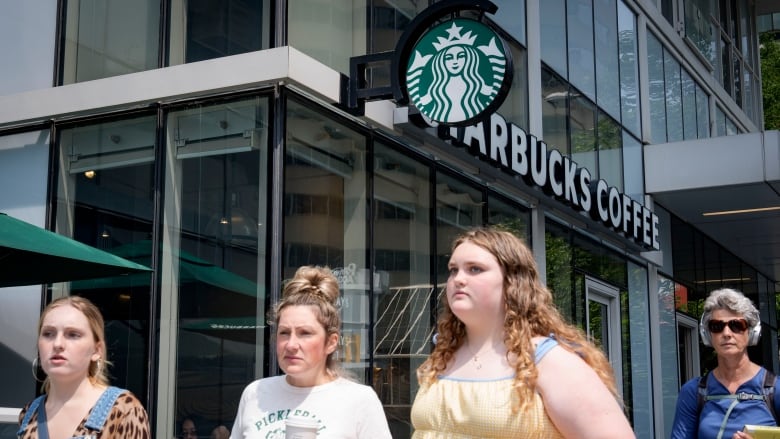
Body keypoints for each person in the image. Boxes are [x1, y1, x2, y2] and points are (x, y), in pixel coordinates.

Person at [410, 227, 635, 438]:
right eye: (453, 270)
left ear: (512, 282)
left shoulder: (550, 361)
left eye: (475, 269)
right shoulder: (443, 356)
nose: (458, 279)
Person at [230, 266, 392, 438]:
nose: (291, 344)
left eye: (305, 333)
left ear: (331, 342)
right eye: (284, 333)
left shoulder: (359, 400)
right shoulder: (255, 393)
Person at [17, 295, 151, 439]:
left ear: (96, 350)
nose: (57, 344)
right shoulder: (30, 414)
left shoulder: (122, 410)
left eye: (73, 335)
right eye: (48, 334)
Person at [671, 288, 778, 439]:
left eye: (736, 325)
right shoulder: (694, 392)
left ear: (752, 332)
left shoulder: (774, 390)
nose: (727, 333)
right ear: (708, 335)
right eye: (717, 326)